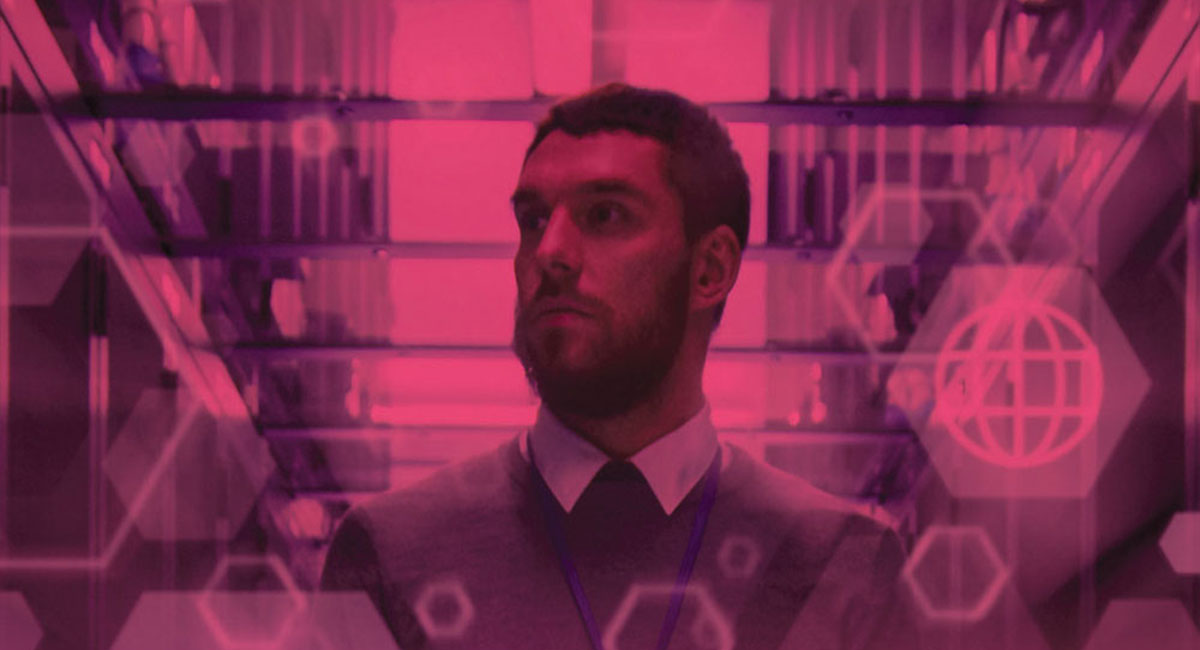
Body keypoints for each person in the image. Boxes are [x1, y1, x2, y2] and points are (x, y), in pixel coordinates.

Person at [321, 83, 912, 650]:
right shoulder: (390, 553)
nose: (550, 252)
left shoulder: (846, 565)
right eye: (533, 220)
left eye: (605, 215)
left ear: (709, 270)